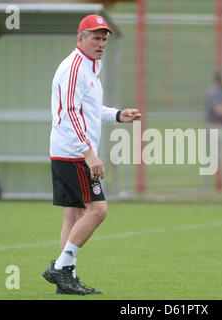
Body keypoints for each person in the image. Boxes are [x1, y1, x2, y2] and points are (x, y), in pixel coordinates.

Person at [42, 15, 141, 295]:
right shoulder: (75, 67)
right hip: (74, 153)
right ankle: (60, 268)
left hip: (66, 151)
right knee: (98, 210)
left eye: (104, 38)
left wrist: (119, 115)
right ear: (80, 38)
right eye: (95, 37)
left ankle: (66, 281)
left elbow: (89, 109)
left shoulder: (89, 67)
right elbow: (70, 112)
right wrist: (88, 152)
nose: (101, 43)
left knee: (72, 217)